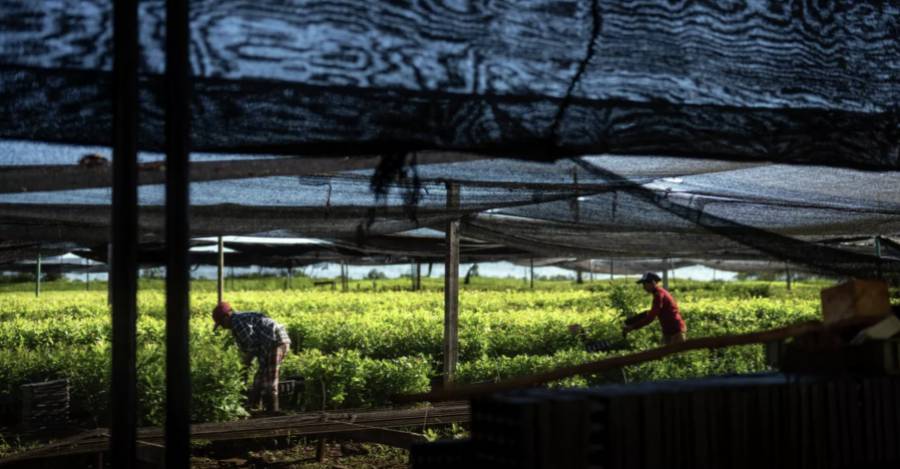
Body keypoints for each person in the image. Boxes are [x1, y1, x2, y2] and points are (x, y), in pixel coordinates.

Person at [212, 301, 291, 413]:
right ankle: (254, 408)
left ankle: (273, 410)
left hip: (275, 340)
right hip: (267, 345)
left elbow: (252, 346)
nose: (223, 327)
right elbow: (251, 346)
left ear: (227, 316)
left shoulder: (237, 322)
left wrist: (245, 365)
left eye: (221, 323)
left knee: (270, 377)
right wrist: (245, 365)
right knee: (258, 379)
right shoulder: (237, 322)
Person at [622, 272, 687, 345]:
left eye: (645, 284)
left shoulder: (659, 295)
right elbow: (652, 312)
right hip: (668, 331)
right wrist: (634, 319)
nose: (643, 287)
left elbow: (651, 317)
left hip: (676, 331)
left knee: (675, 354)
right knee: (663, 354)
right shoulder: (659, 293)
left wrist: (633, 327)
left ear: (652, 283)